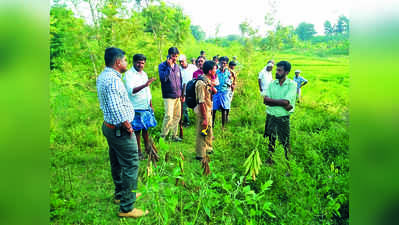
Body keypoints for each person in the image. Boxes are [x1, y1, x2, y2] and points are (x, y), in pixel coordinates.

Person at [96, 47, 148, 218]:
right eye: (125, 60)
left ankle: (122, 195)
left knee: (117, 162)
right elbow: (115, 107)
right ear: (118, 62)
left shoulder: (105, 76)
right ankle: (127, 207)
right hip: (119, 129)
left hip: (110, 127)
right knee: (131, 164)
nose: (127, 63)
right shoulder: (113, 80)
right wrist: (128, 126)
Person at [124, 54, 157, 160]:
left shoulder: (144, 74)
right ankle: (138, 151)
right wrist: (145, 84)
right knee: (137, 130)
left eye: (142, 63)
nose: (140, 65)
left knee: (146, 128)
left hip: (145, 106)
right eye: (138, 62)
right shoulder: (128, 75)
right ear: (133, 62)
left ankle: (148, 148)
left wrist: (150, 105)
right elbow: (131, 91)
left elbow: (148, 91)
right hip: (135, 107)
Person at [263, 60, 297, 164]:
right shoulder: (272, 83)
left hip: (282, 118)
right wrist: (282, 103)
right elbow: (265, 100)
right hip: (271, 116)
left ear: (286, 72)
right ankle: (270, 159)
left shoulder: (292, 85)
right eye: (276, 70)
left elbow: (286, 101)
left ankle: (288, 164)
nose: (276, 72)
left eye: (279, 70)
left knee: (285, 141)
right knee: (271, 139)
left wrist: (273, 102)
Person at [158, 47, 184, 142]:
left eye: (176, 56)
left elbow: (180, 81)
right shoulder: (162, 66)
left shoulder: (177, 67)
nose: (175, 58)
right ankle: (163, 136)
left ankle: (173, 135)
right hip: (168, 96)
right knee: (168, 115)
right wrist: (169, 67)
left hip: (178, 95)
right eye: (173, 56)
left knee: (177, 116)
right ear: (169, 55)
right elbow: (163, 79)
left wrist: (182, 94)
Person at [195, 60, 217, 160]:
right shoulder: (201, 83)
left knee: (209, 130)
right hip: (202, 111)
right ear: (209, 71)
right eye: (214, 69)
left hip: (208, 110)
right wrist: (204, 118)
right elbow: (201, 102)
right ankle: (200, 154)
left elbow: (214, 92)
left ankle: (208, 148)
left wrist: (212, 86)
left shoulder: (207, 81)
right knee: (202, 132)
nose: (215, 71)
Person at [212, 56, 232, 129]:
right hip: (216, 92)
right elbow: (212, 80)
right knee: (213, 109)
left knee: (224, 109)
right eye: (222, 63)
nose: (223, 65)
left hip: (224, 92)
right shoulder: (216, 72)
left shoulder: (228, 72)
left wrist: (229, 84)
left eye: (225, 63)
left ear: (226, 64)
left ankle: (223, 126)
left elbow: (230, 80)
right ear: (219, 63)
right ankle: (212, 124)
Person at [179, 54, 197, 127]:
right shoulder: (179, 69)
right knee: (184, 108)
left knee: (195, 107)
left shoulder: (193, 67)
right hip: (183, 92)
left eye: (182, 61)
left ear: (186, 60)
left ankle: (198, 121)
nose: (181, 63)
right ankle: (186, 122)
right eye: (180, 62)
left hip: (192, 91)